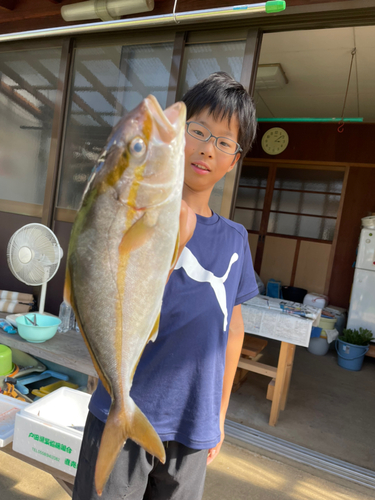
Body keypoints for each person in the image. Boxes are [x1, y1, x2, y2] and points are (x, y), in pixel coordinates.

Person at [73, 71, 258, 500]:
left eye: (224, 142)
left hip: (194, 428)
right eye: (199, 131)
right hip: (123, 408)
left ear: (234, 159)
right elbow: (103, 283)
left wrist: (220, 415)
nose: (208, 148)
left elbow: (233, 330)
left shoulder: (234, 240)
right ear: (179, 137)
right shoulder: (138, 214)